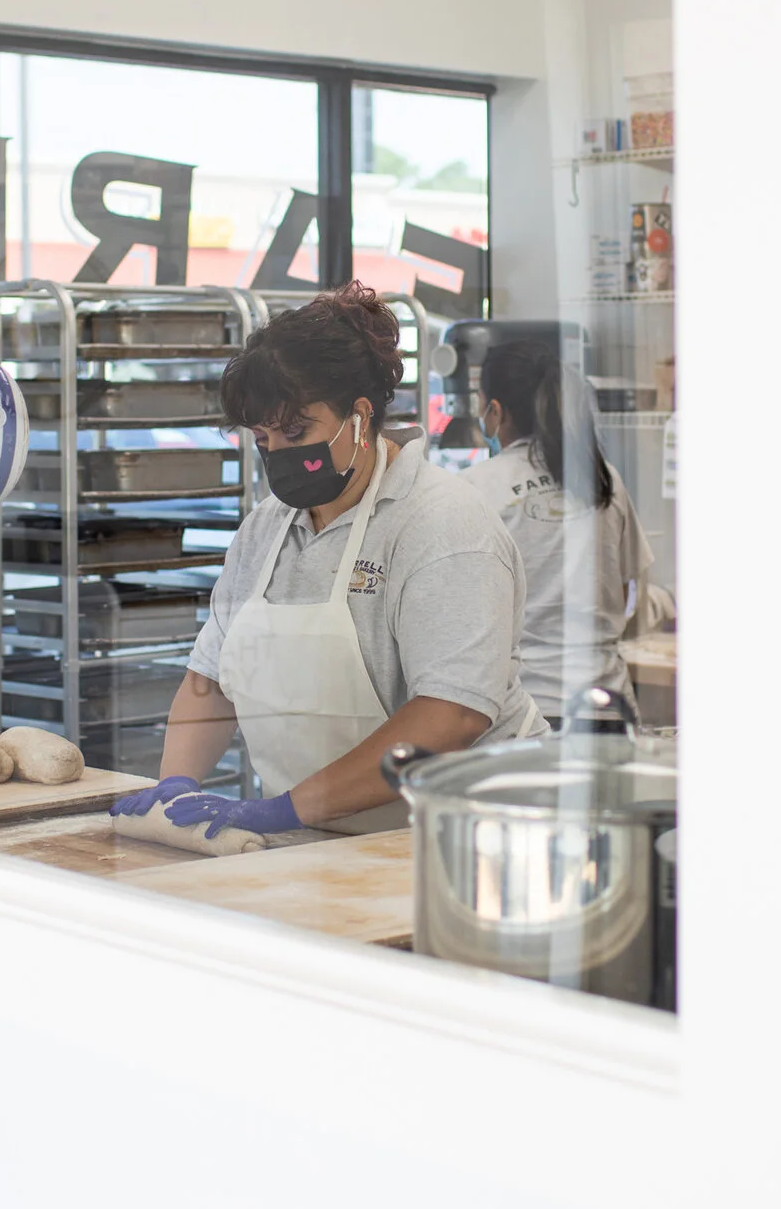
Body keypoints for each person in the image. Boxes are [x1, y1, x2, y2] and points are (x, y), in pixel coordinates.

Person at [113, 284, 546, 838]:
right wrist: (176, 782)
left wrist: (291, 807)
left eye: (297, 431)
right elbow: (210, 683)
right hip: (323, 835)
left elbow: (451, 714)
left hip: (460, 834)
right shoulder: (266, 530)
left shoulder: (442, 523)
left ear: (361, 418)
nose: (278, 451)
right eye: (264, 437)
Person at [459, 337, 671, 720]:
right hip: (606, 705)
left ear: (495, 411)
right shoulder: (602, 477)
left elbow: (468, 614)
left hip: (525, 714)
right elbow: (624, 588)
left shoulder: (476, 488)